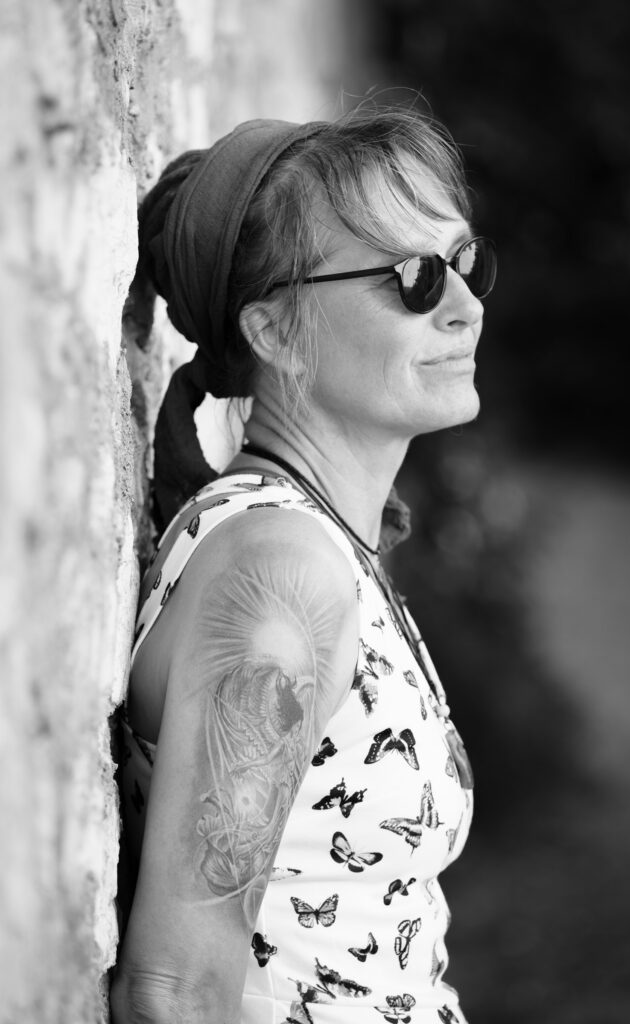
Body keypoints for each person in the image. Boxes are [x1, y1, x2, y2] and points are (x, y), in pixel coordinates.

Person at [110, 106, 496, 1024]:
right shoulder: (281, 578)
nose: (465, 305)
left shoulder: (321, 551)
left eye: (465, 261)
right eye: (413, 279)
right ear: (275, 331)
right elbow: (175, 995)